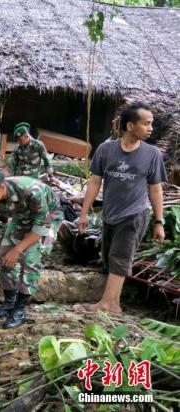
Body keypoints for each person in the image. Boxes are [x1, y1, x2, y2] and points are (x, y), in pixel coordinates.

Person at [78, 102, 166, 314]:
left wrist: (159, 222)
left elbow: (155, 190)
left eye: (151, 124)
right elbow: (94, 182)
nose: (151, 128)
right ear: (129, 125)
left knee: (120, 257)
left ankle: (106, 305)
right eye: (146, 124)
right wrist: (83, 214)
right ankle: (114, 305)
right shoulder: (106, 149)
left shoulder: (152, 154)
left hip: (135, 214)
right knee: (109, 258)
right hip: (110, 214)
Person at [0, 165, 63, 328]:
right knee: (3, 255)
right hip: (21, 219)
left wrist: (18, 249)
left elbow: (41, 225)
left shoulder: (31, 190)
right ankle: (10, 301)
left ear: (1, 188)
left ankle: (20, 310)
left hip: (47, 218)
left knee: (30, 259)